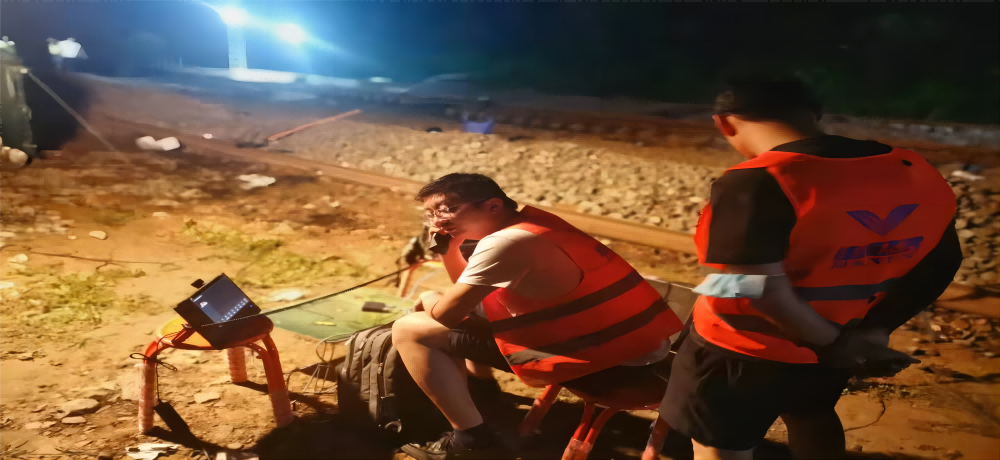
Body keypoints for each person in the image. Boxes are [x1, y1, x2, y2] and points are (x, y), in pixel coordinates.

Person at [658, 79, 962, 460]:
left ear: (724, 123)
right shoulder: (913, 169)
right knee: (812, 414)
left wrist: (833, 343)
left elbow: (750, 287)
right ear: (814, 115)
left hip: (740, 352)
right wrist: (874, 329)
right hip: (839, 342)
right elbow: (941, 264)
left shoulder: (758, 181)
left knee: (719, 442)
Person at [393, 173, 686, 459]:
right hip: (642, 351)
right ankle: (484, 394)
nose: (438, 221)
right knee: (480, 311)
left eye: (447, 209)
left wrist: (429, 297)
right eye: (431, 214)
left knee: (410, 329)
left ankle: (470, 441)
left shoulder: (505, 243)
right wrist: (447, 249)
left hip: (606, 366)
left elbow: (447, 314)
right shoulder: (536, 225)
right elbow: (465, 293)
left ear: (493, 205)